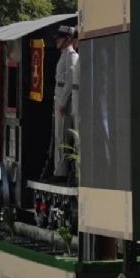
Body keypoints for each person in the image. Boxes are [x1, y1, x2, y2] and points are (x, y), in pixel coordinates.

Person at [51, 25, 79, 182]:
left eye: (60, 38)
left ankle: (60, 171)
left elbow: (69, 82)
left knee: (62, 137)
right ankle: (58, 169)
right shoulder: (64, 55)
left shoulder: (71, 56)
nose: (57, 41)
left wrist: (62, 103)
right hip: (59, 97)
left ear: (68, 39)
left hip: (65, 102)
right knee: (58, 137)